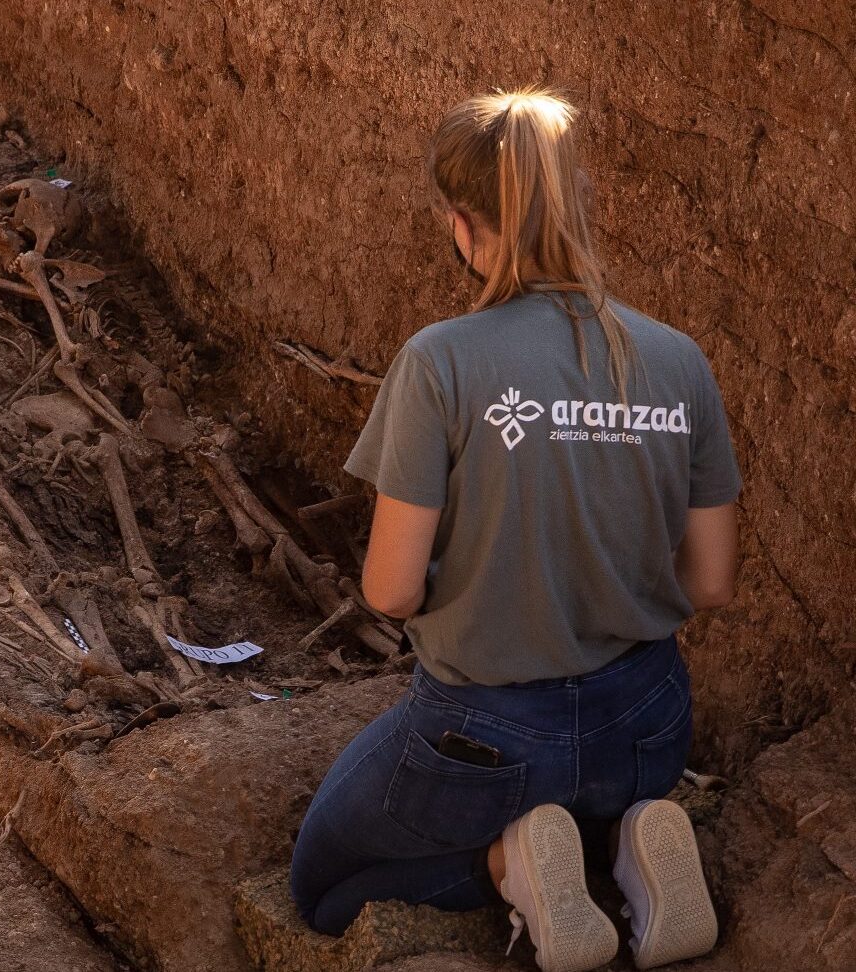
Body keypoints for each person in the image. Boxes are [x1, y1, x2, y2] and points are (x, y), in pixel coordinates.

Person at [287, 88, 740, 972]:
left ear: (461, 223)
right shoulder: (679, 359)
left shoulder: (440, 361)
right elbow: (713, 581)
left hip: (485, 734)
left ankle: (509, 860)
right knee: (596, 787)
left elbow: (389, 590)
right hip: (646, 727)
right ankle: (627, 846)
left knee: (324, 884)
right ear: (578, 200)